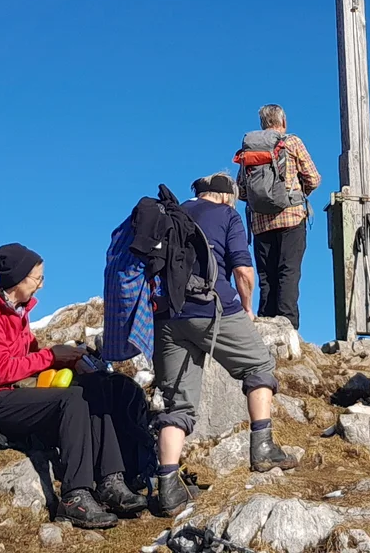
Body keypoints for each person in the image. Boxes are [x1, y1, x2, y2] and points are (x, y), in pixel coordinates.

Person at [0, 244, 149, 529]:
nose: (41, 285)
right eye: (37, 278)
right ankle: (74, 497)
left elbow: (30, 357)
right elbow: (0, 371)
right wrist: (51, 356)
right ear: (18, 279)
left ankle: (111, 480)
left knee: (93, 387)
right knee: (71, 399)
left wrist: (68, 361)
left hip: (8, 394)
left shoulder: (18, 311)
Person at [150, 173, 299, 518]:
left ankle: (169, 490)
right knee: (259, 366)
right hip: (212, 308)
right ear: (224, 196)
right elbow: (244, 271)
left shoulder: (167, 214)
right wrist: (245, 308)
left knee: (178, 404)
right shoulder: (226, 215)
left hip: (167, 318)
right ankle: (262, 448)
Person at [245, 104, 320, 328]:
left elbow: (241, 189)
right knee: (288, 270)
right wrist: (296, 194)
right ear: (283, 121)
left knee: (266, 276)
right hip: (291, 217)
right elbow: (314, 178)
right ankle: (287, 326)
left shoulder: (250, 148)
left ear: (262, 124)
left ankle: (265, 325)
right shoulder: (292, 142)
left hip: (260, 222)